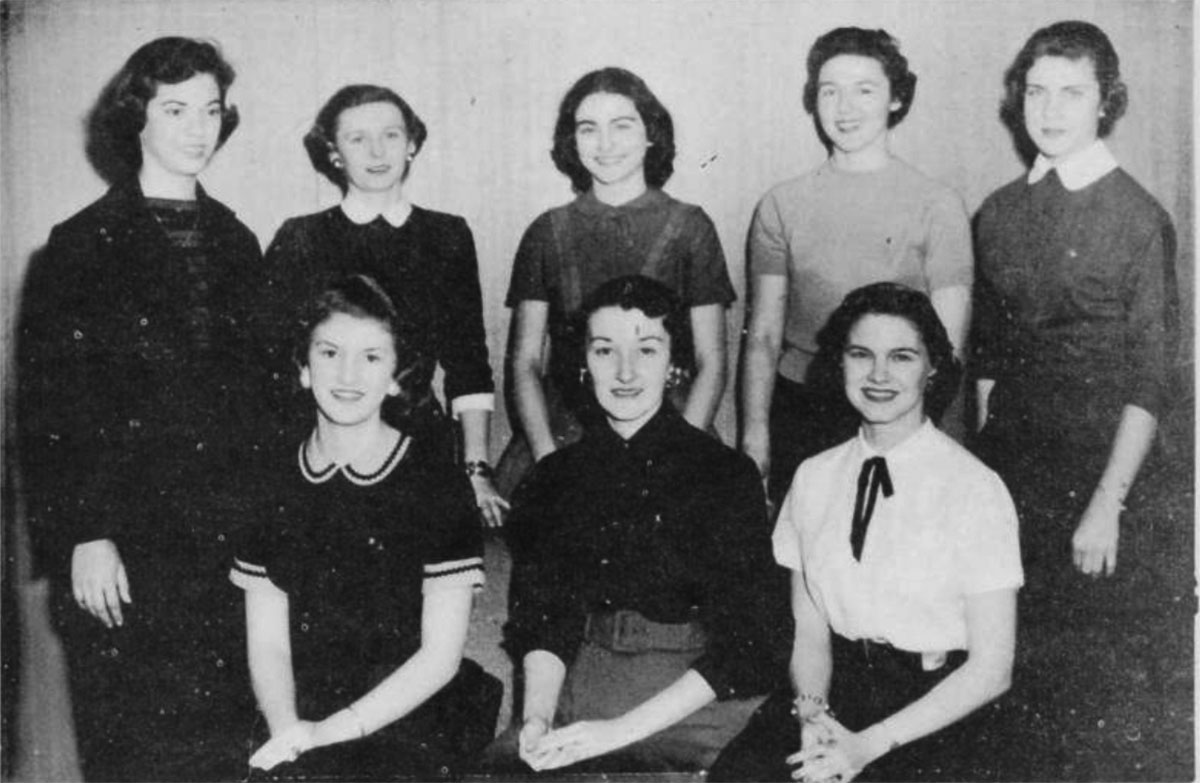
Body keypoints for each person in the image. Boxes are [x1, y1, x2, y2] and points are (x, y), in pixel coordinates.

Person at [16, 37, 261, 780]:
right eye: (175, 108)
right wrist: (87, 533)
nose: (198, 127)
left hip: (226, 542)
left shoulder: (238, 241)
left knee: (226, 741)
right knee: (133, 746)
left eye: (211, 110)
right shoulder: (79, 245)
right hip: (124, 545)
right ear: (137, 119)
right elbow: (51, 409)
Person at [971, 21, 1181, 780]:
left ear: (1106, 103)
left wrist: (1108, 501)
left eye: (1072, 92)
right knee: (1009, 675)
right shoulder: (997, 211)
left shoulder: (1137, 216)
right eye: (1036, 91)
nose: (1050, 109)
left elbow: (1153, 377)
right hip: (1016, 470)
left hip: (1108, 475)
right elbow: (987, 361)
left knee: (1094, 694)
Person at [711, 282, 1022, 782]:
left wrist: (865, 748)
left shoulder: (973, 488)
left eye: (901, 357)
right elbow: (809, 621)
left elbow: (992, 668)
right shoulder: (813, 476)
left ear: (933, 367)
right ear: (840, 364)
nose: (879, 375)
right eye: (861, 355)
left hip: (935, 711)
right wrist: (812, 713)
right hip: (836, 691)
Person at [495, 275, 790, 773]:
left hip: (696, 701)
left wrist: (617, 733)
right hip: (583, 682)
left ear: (675, 364)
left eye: (647, 350)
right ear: (583, 364)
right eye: (605, 351)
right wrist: (537, 720)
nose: (626, 371)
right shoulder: (554, 478)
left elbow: (752, 643)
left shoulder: (724, 474)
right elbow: (544, 621)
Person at [231, 275, 501, 779]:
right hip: (296, 702)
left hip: (406, 708)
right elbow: (267, 643)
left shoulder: (435, 483)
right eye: (330, 353)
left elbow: (439, 658)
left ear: (397, 376)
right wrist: (290, 731)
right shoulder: (271, 480)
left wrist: (328, 733)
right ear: (303, 369)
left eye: (372, 357)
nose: (348, 374)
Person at [739, 27, 973, 511]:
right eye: (830, 91)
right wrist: (756, 434)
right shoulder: (781, 204)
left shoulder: (937, 205)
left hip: (901, 413)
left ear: (895, 99)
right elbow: (763, 336)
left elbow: (947, 348)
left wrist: (904, 434)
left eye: (864, 90)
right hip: (804, 413)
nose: (845, 108)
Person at [257, 84, 507, 527]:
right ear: (334, 153)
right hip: (319, 442)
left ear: (411, 144)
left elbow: (468, 361)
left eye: (391, 135)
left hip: (417, 443)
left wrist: (476, 471)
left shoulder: (446, 236)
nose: (377, 151)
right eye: (357, 139)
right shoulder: (300, 238)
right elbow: (272, 364)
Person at [499, 67, 735, 495]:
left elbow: (712, 361)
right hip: (564, 427)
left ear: (650, 134)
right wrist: (549, 457)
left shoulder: (690, 228)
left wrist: (677, 451)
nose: (605, 144)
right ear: (573, 142)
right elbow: (525, 363)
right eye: (589, 129)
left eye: (622, 126)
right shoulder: (546, 232)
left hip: (672, 423)